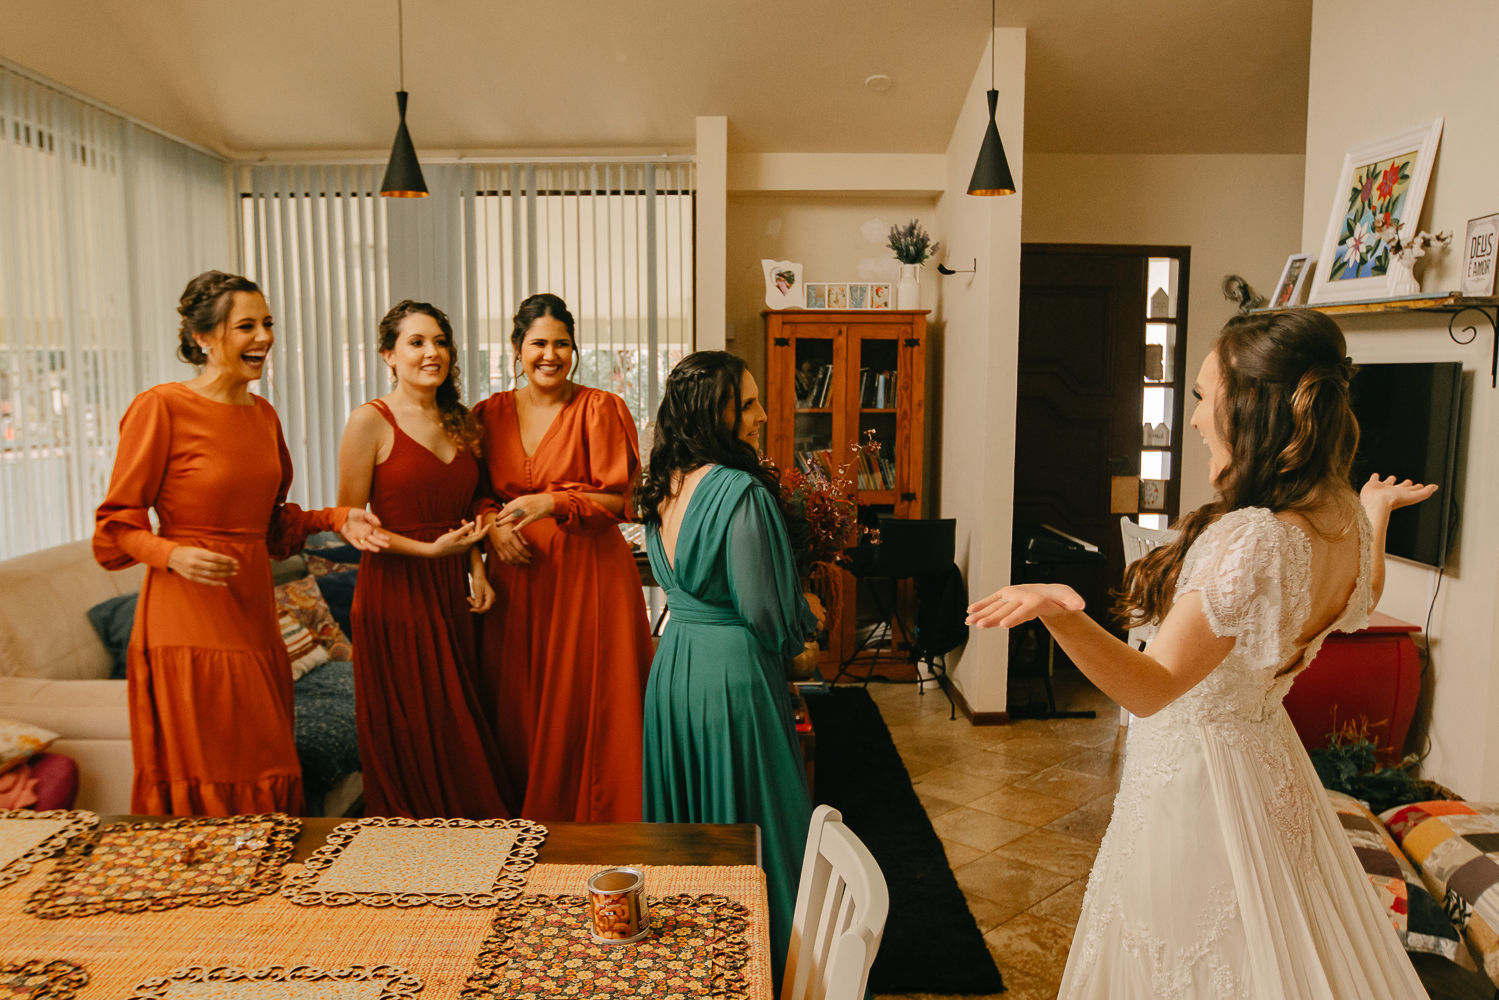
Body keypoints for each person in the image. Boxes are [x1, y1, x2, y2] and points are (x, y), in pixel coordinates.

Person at [966, 309, 1437, 998]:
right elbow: (1362, 590)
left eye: (1199, 396)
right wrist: (1374, 513)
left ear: (1247, 405)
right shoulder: (1339, 518)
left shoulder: (1255, 536)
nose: (1191, 418)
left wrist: (1060, 614)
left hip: (1200, 785)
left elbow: (1154, 687)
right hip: (1267, 766)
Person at [94, 270, 387, 816]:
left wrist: (338, 516)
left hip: (254, 617)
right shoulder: (162, 407)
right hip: (186, 621)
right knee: (209, 773)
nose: (263, 338)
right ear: (204, 337)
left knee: (266, 766)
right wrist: (170, 552)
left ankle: (260, 895)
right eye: (246, 326)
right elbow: (115, 527)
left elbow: (274, 530)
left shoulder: (263, 416)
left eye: (268, 324)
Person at [635, 350, 818, 984]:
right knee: (761, 826)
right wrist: (807, 615)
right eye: (747, 403)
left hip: (674, 667)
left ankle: (696, 970)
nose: (763, 415)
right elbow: (767, 614)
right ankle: (779, 969)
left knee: (689, 834)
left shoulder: (663, 486)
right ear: (714, 413)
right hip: (733, 677)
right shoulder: (740, 492)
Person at [474, 292, 654, 821]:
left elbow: (622, 501)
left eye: (562, 344)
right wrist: (490, 528)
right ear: (516, 348)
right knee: (519, 709)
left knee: (587, 708)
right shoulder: (488, 414)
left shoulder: (600, 408)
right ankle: (521, 829)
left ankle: (594, 826)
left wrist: (550, 501)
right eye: (538, 344)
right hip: (516, 582)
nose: (549, 355)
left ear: (574, 350)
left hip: (586, 578)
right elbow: (473, 494)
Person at [336, 300, 513, 819]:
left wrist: (476, 567)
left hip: (451, 592)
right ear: (389, 355)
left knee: (456, 717)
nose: (431, 352)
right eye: (416, 342)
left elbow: (472, 505)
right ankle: (412, 851)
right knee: (410, 723)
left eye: (439, 342)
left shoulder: (462, 421)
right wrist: (429, 551)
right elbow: (350, 525)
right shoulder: (370, 421)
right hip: (393, 593)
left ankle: (475, 846)